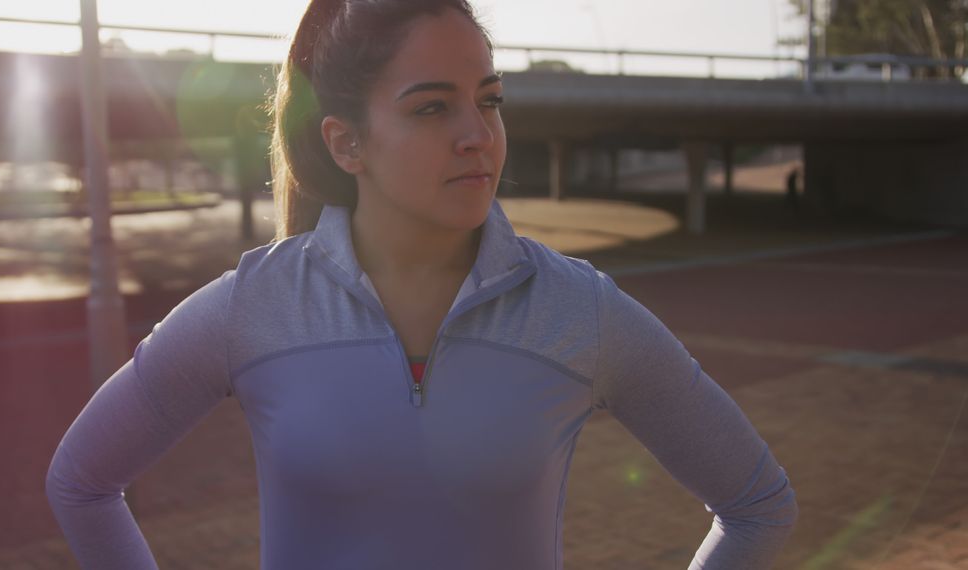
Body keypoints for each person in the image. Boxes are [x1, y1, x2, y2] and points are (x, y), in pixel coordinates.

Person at [46, 1, 798, 568]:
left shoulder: (578, 310)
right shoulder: (255, 307)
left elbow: (758, 503)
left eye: (489, 99)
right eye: (432, 106)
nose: (478, 133)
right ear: (346, 143)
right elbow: (81, 482)